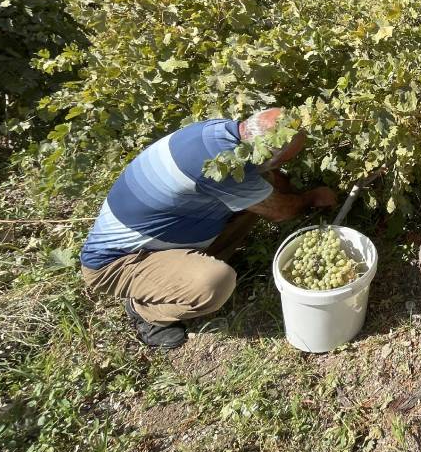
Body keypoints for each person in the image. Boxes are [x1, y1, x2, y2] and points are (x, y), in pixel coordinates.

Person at [79, 108, 336, 349]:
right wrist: (310, 199)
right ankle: (146, 312)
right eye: (284, 159)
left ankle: (187, 265)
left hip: (157, 235)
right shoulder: (223, 169)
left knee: (257, 198)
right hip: (117, 263)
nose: (283, 165)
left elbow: (268, 179)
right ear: (266, 153)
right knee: (214, 283)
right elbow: (280, 210)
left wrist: (286, 186)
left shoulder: (224, 134)